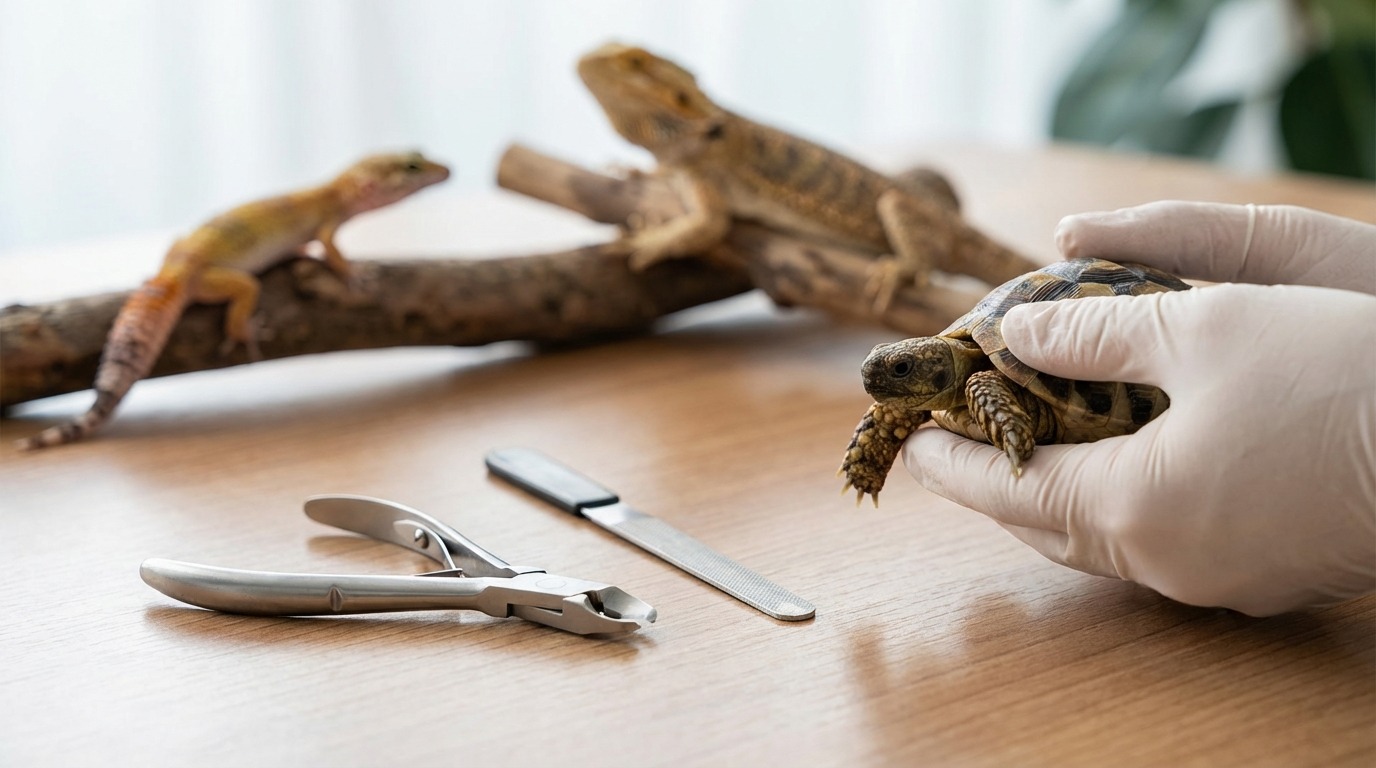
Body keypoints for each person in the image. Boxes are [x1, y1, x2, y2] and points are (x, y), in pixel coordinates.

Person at [902, 201, 1376, 617]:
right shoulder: (938, 386)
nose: (887, 385)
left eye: (904, 369)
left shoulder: (982, 381)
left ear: (937, 362)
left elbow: (985, 386)